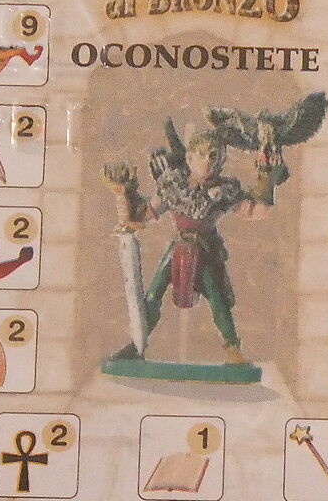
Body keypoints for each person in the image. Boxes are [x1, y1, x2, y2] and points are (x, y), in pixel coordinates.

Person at [104, 129, 279, 365]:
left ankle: (233, 350)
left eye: (213, 156)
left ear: (221, 160)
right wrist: (123, 194)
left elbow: (254, 211)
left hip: (206, 251)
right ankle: (137, 344)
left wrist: (267, 178)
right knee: (153, 295)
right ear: (189, 158)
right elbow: (141, 216)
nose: (207, 161)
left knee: (217, 299)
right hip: (178, 246)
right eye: (202, 155)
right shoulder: (173, 186)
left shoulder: (224, 190)